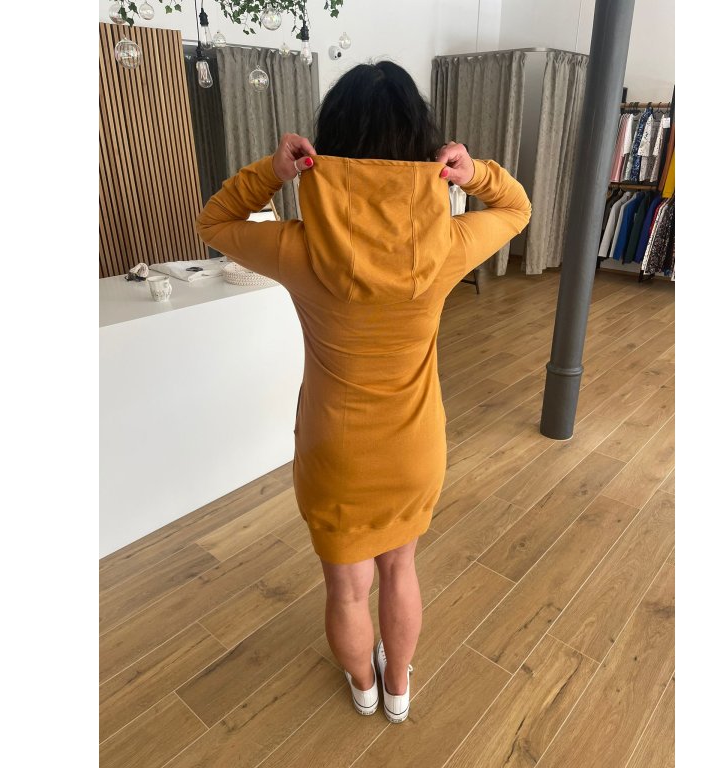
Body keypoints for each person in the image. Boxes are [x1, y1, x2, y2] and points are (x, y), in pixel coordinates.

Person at [196, 60, 530, 724]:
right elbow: (516, 208)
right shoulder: (448, 246)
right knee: (400, 570)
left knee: (348, 590)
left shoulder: (298, 247)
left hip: (334, 453)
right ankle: (397, 688)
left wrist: (272, 173)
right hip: (414, 448)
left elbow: (214, 221)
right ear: (423, 144)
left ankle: (363, 685)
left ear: (330, 143)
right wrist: (476, 174)